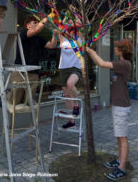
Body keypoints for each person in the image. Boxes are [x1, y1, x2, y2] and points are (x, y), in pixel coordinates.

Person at [86, 39, 133, 181]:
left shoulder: (124, 64)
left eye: (117, 47)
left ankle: (122, 169)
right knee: (119, 135)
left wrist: (90, 51)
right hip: (118, 105)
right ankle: (119, 159)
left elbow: (101, 63)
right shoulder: (121, 64)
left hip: (121, 106)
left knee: (122, 137)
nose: (114, 49)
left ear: (122, 50)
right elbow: (101, 63)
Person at [7, 15, 58, 105]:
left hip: (34, 73)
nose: (38, 24)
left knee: (29, 102)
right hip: (20, 71)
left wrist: (55, 35)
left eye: (38, 22)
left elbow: (52, 46)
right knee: (15, 102)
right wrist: (48, 17)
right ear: (28, 26)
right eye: (35, 23)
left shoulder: (39, 38)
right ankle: (8, 96)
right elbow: (36, 30)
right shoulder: (23, 33)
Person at [57, 23, 84, 130]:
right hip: (63, 69)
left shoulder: (79, 39)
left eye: (74, 30)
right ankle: (71, 122)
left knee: (70, 83)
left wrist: (74, 14)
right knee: (67, 96)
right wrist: (65, 16)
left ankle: (76, 105)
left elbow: (82, 23)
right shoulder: (63, 39)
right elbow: (59, 26)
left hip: (75, 68)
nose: (72, 31)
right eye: (70, 30)